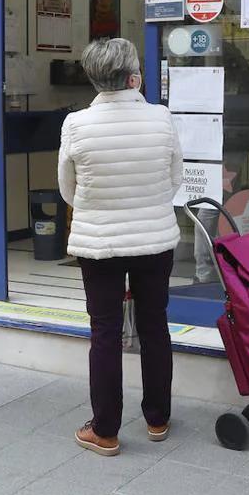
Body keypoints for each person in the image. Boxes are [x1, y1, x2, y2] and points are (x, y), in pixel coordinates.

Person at [58, 37, 183, 456]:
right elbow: (175, 179)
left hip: (99, 243)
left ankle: (106, 429)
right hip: (154, 238)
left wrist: (101, 205)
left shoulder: (76, 124)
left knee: (105, 332)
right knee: (154, 325)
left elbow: (68, 190)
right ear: (133, 75)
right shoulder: (161, 118)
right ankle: (158, 418)